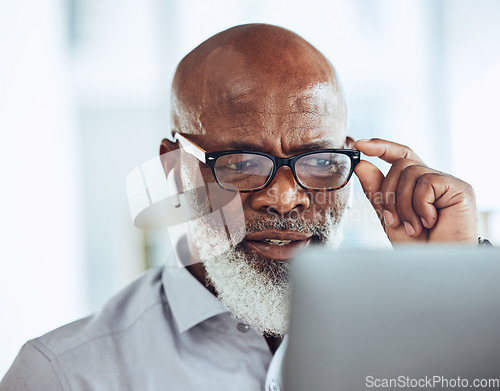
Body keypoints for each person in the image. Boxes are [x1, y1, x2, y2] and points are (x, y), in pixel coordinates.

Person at [0, 23, 478, 391]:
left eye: (318, 160)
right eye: (242, 163)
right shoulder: (65, 375)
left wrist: (456, 276)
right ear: (176, 171)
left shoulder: (419, 338)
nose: (285, 197)